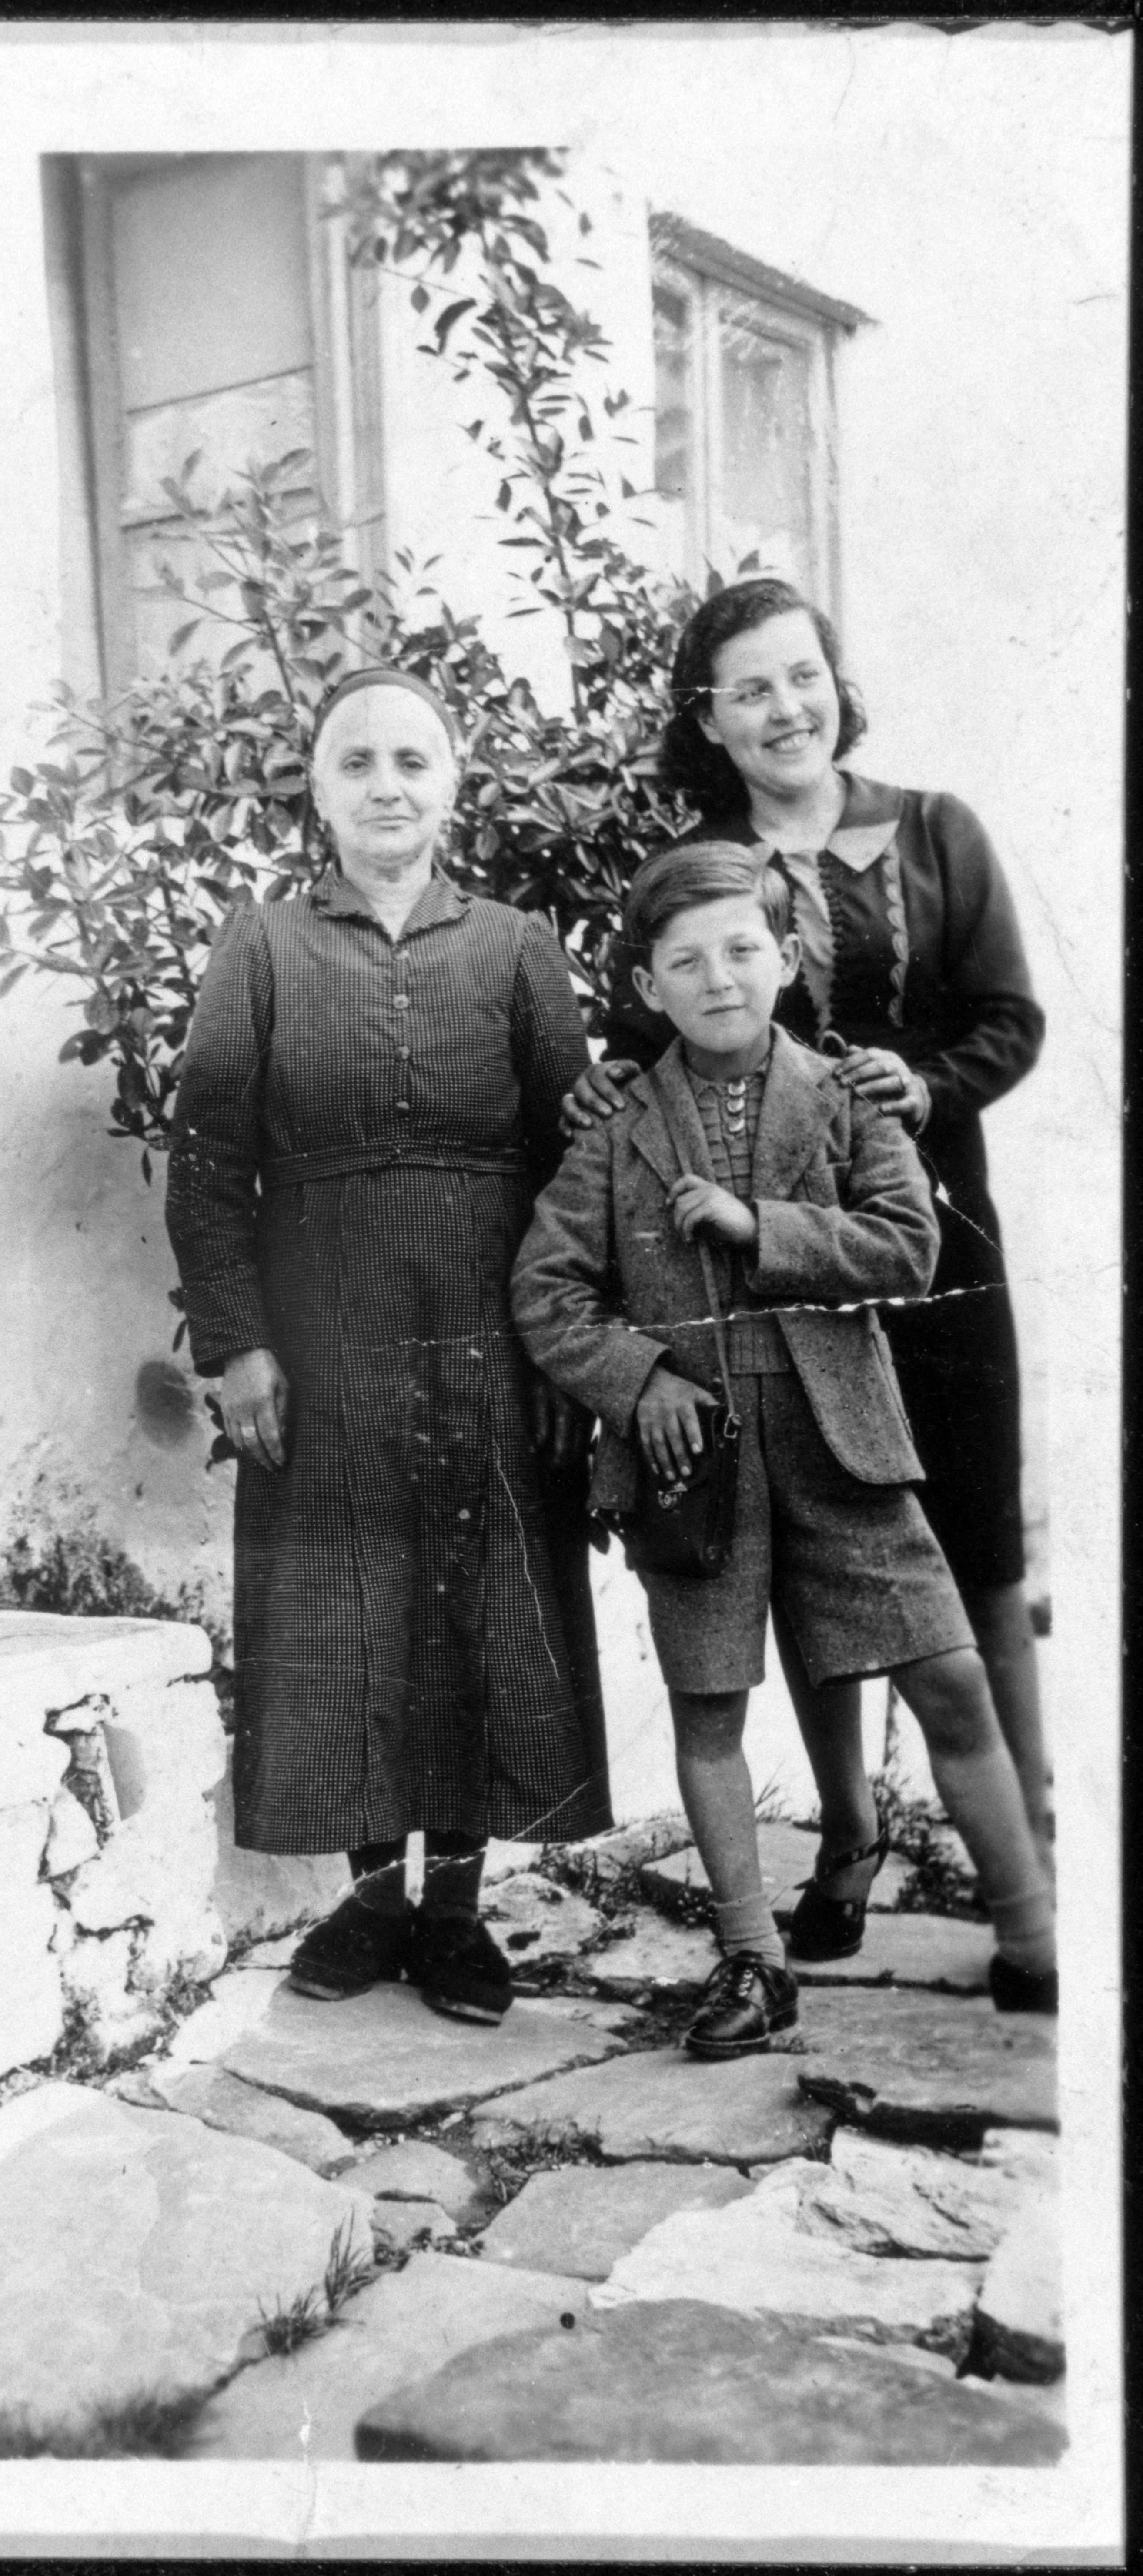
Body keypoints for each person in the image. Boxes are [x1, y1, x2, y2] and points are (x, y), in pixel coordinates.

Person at [565, 577, 1052, 1952]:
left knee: (970, 1535)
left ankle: (1027, 1855)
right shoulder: (702, 871)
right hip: (759, 1284)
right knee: (807, 1542)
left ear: (836, 680)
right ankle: (848, 1837)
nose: (786, 708)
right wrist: (601, 1090)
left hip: (926, 1236)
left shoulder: (937, 829)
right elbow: (647, 1047)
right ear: (709, 718)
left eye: (803, 675)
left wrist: (926, 1084)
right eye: (751, 689)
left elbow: (1011, 1019)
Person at [512, 843, 1057, 2057]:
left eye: (743, 950)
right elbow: (547, 1292)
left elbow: (910, 1244)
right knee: (710, 1703)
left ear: (789, 957)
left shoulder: (846, 1095)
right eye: (686, 962)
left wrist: (763, 1226)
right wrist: (639, 1380)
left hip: (841, 1437)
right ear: (645, 988)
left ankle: (1036, 1937)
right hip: (692, 1460)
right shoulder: (616, 1128)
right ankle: (753, 1959)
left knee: (950, 1675)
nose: (719, 979)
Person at [165, 666, 613, 2028]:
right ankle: (372, 1900)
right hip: (323, 1331)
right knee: (345, 1597)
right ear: (317, 791)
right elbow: (208, 1159)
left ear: (454, 784)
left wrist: (567, 1349)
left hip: (491, 1326)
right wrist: (238, 1345)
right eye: (355, 762)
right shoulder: (262, 948)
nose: (386, 786)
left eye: (413, 761)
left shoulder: (517, 948)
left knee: (479, 1594)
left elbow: (577, 1169)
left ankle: (458, 1911)